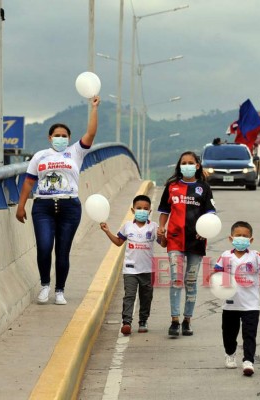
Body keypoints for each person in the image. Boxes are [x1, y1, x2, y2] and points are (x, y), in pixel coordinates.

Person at [16, 96, 101, 305]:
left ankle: (60, 290)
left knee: (63, 250)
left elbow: (91, 132)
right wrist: (21, 206)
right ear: (49, 137)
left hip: (69, 207)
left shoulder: (76, 152)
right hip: (43, 206)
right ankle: (45, 285)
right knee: (44, 246)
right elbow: (28, 182)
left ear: (69, 138)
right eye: (57, 135)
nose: (60, 138)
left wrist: (94, 107)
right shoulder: (40, 156)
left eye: (64, 136)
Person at [158, 151, 216, 337]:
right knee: (176, 280)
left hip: (196, 242)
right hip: (175, 239)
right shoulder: (172, 186)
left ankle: (187, 320)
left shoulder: (204, 188)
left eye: (191, 162)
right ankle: (174, 320)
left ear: (197, 166)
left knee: (190, 282)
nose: (187, 165)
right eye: (184, 162)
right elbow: (164, 210)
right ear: (179, 165)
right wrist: (161, 228)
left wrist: (204, 230)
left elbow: (211, 214)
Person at [213, 221, 260, 376]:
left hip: (251, 305)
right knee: (229, 334)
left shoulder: (255, 256)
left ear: (251, 240)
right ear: (231, 238)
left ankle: (248, 361)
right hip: (230, 305)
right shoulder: (225, 256)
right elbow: (216, 274)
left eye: (245, 236)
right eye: (238, 235)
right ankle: (230, 354)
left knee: (249, 334)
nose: (241, 238)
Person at [100, 195, 167, 335]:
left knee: (146, 296)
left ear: (149, 211)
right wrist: (107, 232)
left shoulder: (153, 227)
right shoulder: (127, 226)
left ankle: (143, 320)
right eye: (139, 208)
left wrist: (162, 235)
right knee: (129, 295)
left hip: (147, 270)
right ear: (133, 210)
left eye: (145, 209)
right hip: (130, 269)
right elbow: (119, 242)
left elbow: (163, 244)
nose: (142, 211)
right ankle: (126, 322)